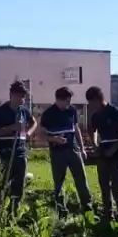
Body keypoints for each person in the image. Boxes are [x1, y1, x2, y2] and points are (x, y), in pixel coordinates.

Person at [40, 86, 93, 216]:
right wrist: (54, 139)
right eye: (67, 101)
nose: (69, 104)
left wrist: (82, 148)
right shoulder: (48, 114)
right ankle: (61, 210)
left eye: (70, 101)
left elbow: (76, 129)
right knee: (59, 181)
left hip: (73, 149)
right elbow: (41, 135)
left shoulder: (72, 111)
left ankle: (87, 207)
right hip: (57, 152)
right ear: (59, 99)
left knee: (81, 178)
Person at [0, 81, 37, 212]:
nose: (22, 99)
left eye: (23, 96)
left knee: (20, 180)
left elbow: (34, 123)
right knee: (5, 180)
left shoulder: (24, 111)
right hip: (5, 150)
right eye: (19, 96)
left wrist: (29, 133)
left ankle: (14, 208)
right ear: (11, 95)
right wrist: (12, 127)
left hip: (20, 149)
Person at [86, 86, 118, 224]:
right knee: (104, 186)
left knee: (116, 188)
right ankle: (107, 215)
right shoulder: (96, 116)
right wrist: (95, 146)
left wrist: (114, 148)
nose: (91, 106)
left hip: (117, 153)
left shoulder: (114, 112)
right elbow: (91, 130)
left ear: (99, 99)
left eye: (92, 102)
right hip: (103, 152)